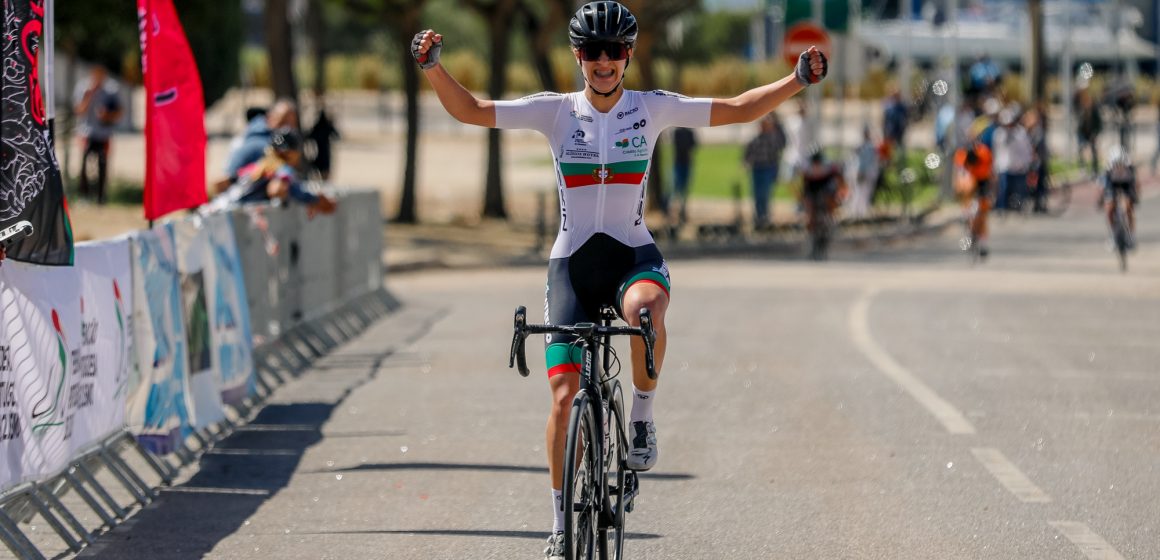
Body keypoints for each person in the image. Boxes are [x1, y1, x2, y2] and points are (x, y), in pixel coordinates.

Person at [411, 3, 827, 557]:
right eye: (592, 51)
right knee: (563, 398)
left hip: (632, 257)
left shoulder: (650, 109)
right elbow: (472, 109)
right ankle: (559, 525)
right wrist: (434, 66)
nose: (603, 61)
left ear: (628, 55)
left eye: (614, 51)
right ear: (578, 56)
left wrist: (796, 78)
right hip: (573, 266)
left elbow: (736, 108)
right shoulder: (554, 112)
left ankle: (641, 420)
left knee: (646, 312)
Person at [209, 128, 337, 216]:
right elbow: (276, 190)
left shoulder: (259, 164)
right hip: (232, 215)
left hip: (218, 208)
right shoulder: (282, 168)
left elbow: (219, 184)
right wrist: (312, 199)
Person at [73, 65, 122, 204]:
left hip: (104, 133)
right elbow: (79, 110)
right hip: (86, 132)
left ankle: (101, 197)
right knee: (84, 166)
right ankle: (84, 196)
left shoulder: (111, 90)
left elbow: (119, 112)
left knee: (103, 165)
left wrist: (107, 115)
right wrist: (89, 95)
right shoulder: (83, 88)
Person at [223, 99, 299, 181]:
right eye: (283, 122)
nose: (287, 129)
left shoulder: (281, 143)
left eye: (291, 124)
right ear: (271, 118)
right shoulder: (258, 143)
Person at [743, 113, 787, 229]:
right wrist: (746, 162)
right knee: (757, 194)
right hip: (757, 168)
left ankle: (765, 217)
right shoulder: (755, 139)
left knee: (765, 194)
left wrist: (777, 124)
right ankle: (759, 217)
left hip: (768, 168)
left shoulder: (773, 138)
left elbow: (783, 143)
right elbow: (748, 153)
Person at [953, 138, 994, 258]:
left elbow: (991, 176)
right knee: (966, 196)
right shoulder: (961, 156)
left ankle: (983, 243)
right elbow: (958, 175)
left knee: (982, 214)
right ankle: (966, 216)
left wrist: (990, 193)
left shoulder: (985, 154)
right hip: (969, 179)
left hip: (983, 180)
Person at [798, 146, 846, 241]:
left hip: (826, 185)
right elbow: (802, 186)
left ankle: (832, 218)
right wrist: (802, 199)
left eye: (818, 162)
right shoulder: (806, 168)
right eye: (814, 162)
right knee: (809, 209)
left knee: (830, 199)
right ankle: (810, 232)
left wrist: (841, 193)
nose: (817, 165)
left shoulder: (829, 166)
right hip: (812, 187)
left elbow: (840, 179)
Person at [992, 108, 1032, 212]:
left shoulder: (1021, 133)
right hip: (1004, 167)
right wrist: (995, 168)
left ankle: (1018, 208)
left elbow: (1027, 150)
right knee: (1003, 188)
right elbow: (996, 151)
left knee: (1019, 190)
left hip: (1019, 167)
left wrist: (1026, 163)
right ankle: (1002, 208)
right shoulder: (999, 134)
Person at [1101, 147, 1138, 249]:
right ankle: (1112, 235)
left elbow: (1135, 185)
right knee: (1109, 209)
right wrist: (1102, 200)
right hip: (1112, 186)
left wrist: (1134, 198)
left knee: (1129, 207)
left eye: (1121, 165)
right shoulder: (1108, 170)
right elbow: (1104, 187)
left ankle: (1131, 235)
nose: (1119, 167)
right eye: (1116, 165)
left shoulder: (1130, 168)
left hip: (1126, 185)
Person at [306, 103, 341, 181]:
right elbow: (337, 136)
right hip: (323, 154)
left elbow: (308, 137)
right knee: (324, 174)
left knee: (320, 174)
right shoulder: (326, 127)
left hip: (318, 154)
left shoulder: (318, 127)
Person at [669, 127, 696, 226]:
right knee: (676, 189)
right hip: (678, 163)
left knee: (684, 189)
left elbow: (694, 145)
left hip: (687, 163)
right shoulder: (677, 132)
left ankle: (683, 211)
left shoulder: (689, 132)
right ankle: (674, 213)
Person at [851, 125, 879, 219]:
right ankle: (857, 211)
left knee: (863, 191)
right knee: (860, 191)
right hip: (862, 171)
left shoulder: (869, 146)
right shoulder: (864, 145)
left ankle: (860, 212)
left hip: (866, 171)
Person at [1076, 89, 1102, 176]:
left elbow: (1099, 124)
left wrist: (1095, 134)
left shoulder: (1095, 111)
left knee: (1094, 151)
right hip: (1083, 134)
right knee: (1081, 149)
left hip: (1092, 134)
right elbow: (1080, 125)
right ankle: (1082, 167)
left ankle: (1095, 169)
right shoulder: (1082, 110)